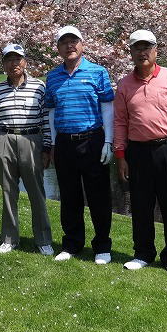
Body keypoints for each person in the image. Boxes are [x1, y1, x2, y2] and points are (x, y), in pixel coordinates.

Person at [113, 30, 167, 279]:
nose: (142, 52)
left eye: (147, 47)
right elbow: (120, 122)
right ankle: (143, 253)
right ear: (130, 52)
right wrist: (121, 156)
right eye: (137, 48)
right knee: (141, 204)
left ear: (156, 50)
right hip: (137, 150)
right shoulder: (125, 84)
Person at [45, 25, 115, 265]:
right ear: (58, 48)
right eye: (64, 42)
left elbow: (107, 107)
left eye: (73, 41)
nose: (69, 46)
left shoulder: (98, 72)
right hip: (65, 142)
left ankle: (102, 246)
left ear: (82, 45)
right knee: (69, 196)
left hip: (92, 140)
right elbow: (51, 111)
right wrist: (54, 143)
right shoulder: (53, 76)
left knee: (99, 196)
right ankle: (72, 244)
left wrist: (108, 141)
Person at [0, 44, 54, 256]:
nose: (13, 63)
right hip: (5, 140)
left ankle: (43, 239)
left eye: (17, 59)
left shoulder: (39, 87)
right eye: (9, 60)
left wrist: (47, 146)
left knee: (36, 192)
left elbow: (46, 119)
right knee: (8, 192)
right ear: (3, 64)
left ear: (24, 62)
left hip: (31, 140)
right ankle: (9, 239)